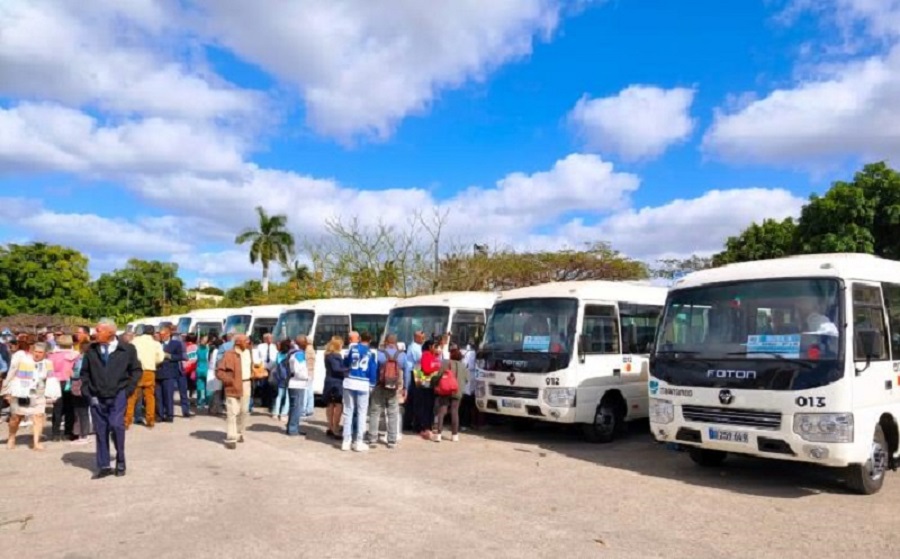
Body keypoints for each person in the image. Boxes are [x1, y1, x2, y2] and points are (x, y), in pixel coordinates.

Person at [80, 319, 142, 478]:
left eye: (98, 330)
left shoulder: (127, 349)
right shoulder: (91, 350)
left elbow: (136, 370)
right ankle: (104, 465)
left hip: (119, 393)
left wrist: (128, 389)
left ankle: (120, 459)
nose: (95, 333)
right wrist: (87, 390)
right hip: (96, 395)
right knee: (101, 430)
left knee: (116, 425)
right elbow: (84, 373)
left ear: (110, 332)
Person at [2, 338, 53, 450]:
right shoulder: (21, 359)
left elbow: (51, 379)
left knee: (38, 416)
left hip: (39, 394)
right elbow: (11, 373)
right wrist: (6, 391)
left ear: (45, 354)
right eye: (36, 351)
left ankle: (36, 442)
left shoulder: (48, 363)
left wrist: (52, 394)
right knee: (16, 418)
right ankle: (11, 437)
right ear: (32, 351)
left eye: (40, 352)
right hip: (20, 392)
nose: (37, 354)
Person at [366, 335, 406, 449]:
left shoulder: (379, 354)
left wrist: (372, 384)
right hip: (394, 387)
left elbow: (374, 369)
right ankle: (392, 440)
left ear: (386, 342)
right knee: (392, 413)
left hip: (380, 385)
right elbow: (406, 371)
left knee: (375, 412)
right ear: (396, 342)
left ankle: (372, 439)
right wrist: (405, 388)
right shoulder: (402, 355)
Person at [341, 331, 378, 452]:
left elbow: (345, 363)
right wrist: (372, 384)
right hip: (363, 383)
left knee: (348, 411)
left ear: (360, 338)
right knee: (362, 413)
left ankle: (346, 441)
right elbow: (373, 369)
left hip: (350, 381)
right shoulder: (371, 353)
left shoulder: (352, 349)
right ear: (370, 340)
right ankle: (358, 441)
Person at [215, 334, 253, 450]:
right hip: (232, 385)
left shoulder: (249, 352)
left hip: (247, 384)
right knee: (232, 412)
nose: (248, 342)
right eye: (246, 341)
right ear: (238, 342)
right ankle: (231, 437)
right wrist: (228, 381)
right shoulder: (229, 354)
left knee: (244, 411)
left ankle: (239, 432)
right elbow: (219, 371)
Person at [127, 325, 164, 430]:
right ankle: (150, 420)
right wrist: (153, 361)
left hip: (136, 371)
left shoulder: (134, 341)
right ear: (152, 333)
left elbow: (129, 355)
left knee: (132, 396)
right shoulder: (156, 344)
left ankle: (127, 419)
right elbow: (160, 358)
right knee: (149, 396)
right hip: (149, 371)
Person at [431, 343, 470, 443]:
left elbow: (439, 376)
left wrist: (433, 382)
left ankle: (439, 435)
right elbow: (467, 379)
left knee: (442, 411)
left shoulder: (445, 363)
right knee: (454, 412)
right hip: (457, 391)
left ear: (450, 354)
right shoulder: (463, 366)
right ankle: (455, 435)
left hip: (445, 390)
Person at [48, 335, 79, 442]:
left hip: (56, 382)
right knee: (70, 408)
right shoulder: (76, 355)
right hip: (70, 382)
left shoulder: (52, 355)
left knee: (57, 408)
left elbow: (50, 369)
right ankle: (68, 432)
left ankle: (55, 433)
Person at [156, 326, 184, 423]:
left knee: (168, 395)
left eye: (163, 334)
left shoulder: (176, 344)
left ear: (168, 334)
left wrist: (170, 356)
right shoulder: (157, 344)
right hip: (158, 373)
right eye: (160, 334)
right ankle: (160, 415)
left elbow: (181, 356)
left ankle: (169, 415)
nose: (161, 336)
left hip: (169, 374)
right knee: (158, 396)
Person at [286, 336, 313, 437]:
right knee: (297, 407)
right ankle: (293, 429)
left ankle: (293, 427)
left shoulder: (294, 353)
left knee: (295, 407)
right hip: (298, 384)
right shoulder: (299, 354)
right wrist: (307, 377)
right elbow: (299, 371)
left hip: (295, 383)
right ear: (303, 343)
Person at [415, 339, 441, 440]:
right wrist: (436, 368)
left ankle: (428, 426)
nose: (437, 348)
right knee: (426, 406)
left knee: (430, 407)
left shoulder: (433, 356)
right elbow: (426, 369)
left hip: (430, 385)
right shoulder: (426, 355)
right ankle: (425, 427)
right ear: (430, 347)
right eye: (435, 346)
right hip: (425, 385)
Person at [323, 336, 348, 438]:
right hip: (336, 383)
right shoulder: (335, 356)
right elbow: (337, 368)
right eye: (341, 344)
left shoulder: (328, 355)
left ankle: (330, 426)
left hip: (329, 381)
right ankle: (335, 428)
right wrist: (348, 369)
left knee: (330, 405)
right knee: (338, 405)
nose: (342, 346)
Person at [69, 340, 92, 445]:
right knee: (83, 411)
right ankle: (82, 433)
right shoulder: (92, 358)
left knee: (81, 411)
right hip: (86, 386)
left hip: (79, 386)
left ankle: (83, 435)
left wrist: (71, 374)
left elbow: (77, 373)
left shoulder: (82, 358)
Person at [403, 331, 424, 432]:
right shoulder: (415, 347)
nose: (423, 339)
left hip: (414, 372)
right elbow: (420, 360)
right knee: (417, 399)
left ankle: (408, 423)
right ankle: (416, 424)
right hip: (416, 372)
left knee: (412, 400)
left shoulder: (413, 346)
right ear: (416, 337)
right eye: (421, 337)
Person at [270, 339, 293, 422]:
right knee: (287, 396)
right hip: (288, 378)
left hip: (280, 378)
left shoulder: (279, 354)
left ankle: (275, 413)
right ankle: (283, 414)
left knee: (279, 396)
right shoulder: (290, 355)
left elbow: (276, 365)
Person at [256, 333, 278, 415]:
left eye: (270, 338)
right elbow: (258, 356)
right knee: (263, 385)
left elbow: (276, 356)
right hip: (263, 367)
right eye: (267, 338)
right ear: (264, 339)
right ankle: (264, 401)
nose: (269, 339)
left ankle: (270, 402)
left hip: (272, 368)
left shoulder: (274, 346)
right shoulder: (260, 346)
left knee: (271, 386)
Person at [195, 336, 211, 412]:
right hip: (207, 369)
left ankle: (199, 402)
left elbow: (195, 359)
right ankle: (207, 402)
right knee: (207, 387)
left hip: (199, 369)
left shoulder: (197, 350)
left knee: (200, 387)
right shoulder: (208, 350)